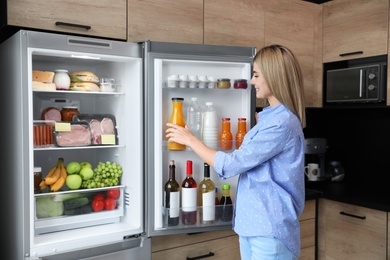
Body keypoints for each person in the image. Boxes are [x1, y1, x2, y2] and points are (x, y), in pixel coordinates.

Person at [166, 44, 306, 260]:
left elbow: (232, 164)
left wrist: (191, 140)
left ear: (274, 76)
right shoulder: (271, 118)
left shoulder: (281, 123)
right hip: (250, 226)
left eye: (257, 75)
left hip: (270, 229)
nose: (252, 81)